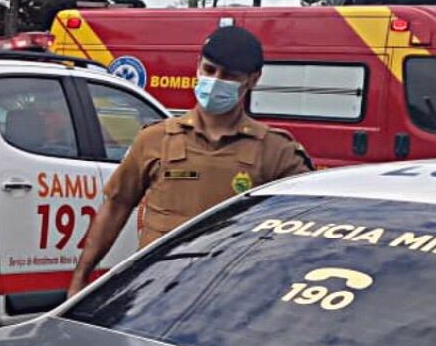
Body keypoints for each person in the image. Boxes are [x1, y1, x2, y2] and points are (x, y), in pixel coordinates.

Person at [67, 25, 312, 296]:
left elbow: (306, 226)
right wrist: (80, 278)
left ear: (253, 80)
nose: (215, 80)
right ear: (198, 67)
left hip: (227, 296)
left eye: (229, 75)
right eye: (209, 70)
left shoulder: (277, 151)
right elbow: (116, 205)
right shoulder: (155, 139)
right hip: (152, 293)